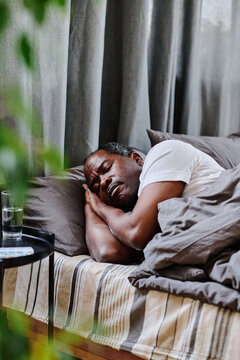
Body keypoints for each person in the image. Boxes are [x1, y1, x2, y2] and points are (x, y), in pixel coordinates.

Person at [83, 140, 224, 264]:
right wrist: (90, 205)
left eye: (107, 168)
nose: (103, 182)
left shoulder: (163, 152)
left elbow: (136, 234)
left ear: (137, 159)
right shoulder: (131, 218)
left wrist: (100, 207)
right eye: (96, 186)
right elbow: (108, 251)